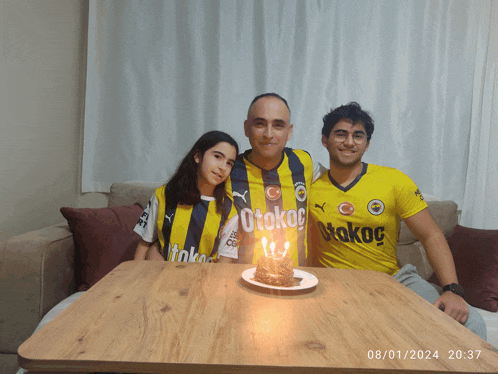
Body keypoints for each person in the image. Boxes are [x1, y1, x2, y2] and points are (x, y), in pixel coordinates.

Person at [308, 102, 486, 339]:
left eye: (358, 136)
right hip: (336, 286)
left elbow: (431, 235)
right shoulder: (310, 190)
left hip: (392, 280)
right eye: (341, 134)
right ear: (324, 140)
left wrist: (452, 290)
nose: (349, 142)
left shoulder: (393, 181)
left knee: (470, 322)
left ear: (367, 144)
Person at [224, 93, 323, 265]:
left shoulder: (303, 162)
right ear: (247, 128)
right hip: (242, 279)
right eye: (260, 124)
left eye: (278, 125)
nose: (269, 134)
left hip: (297, 278)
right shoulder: (229, 170)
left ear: (289, 131)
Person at [133, 130, 239, 263]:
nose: (223, 167)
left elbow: (225, 263)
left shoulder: (229, 211)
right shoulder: (163, 195)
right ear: (198, 156)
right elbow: (145, 244)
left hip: (204, 280)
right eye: (217, 156)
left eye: (229, 163)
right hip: (161, 278)